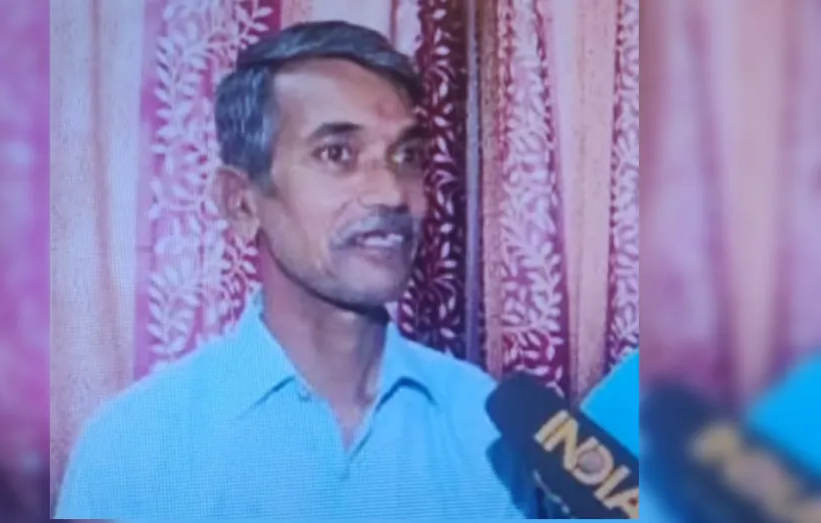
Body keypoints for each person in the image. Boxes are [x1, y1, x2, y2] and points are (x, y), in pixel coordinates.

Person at [55, 21, 533, 519]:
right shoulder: (133, 451)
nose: (392, 193)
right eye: (337, 154)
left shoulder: (491, 432)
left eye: (407, 156)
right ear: (241, 204)